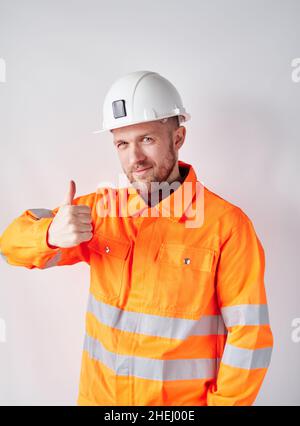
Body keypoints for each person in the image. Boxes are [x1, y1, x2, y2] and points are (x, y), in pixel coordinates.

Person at [0, 70, 273, 406]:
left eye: (147, 139)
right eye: (122, 143)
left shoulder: (226, 226)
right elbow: (9, 247)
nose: (135, 158)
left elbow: (251, 337)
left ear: (178, 138)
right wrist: (50, 236)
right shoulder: (99, 211)